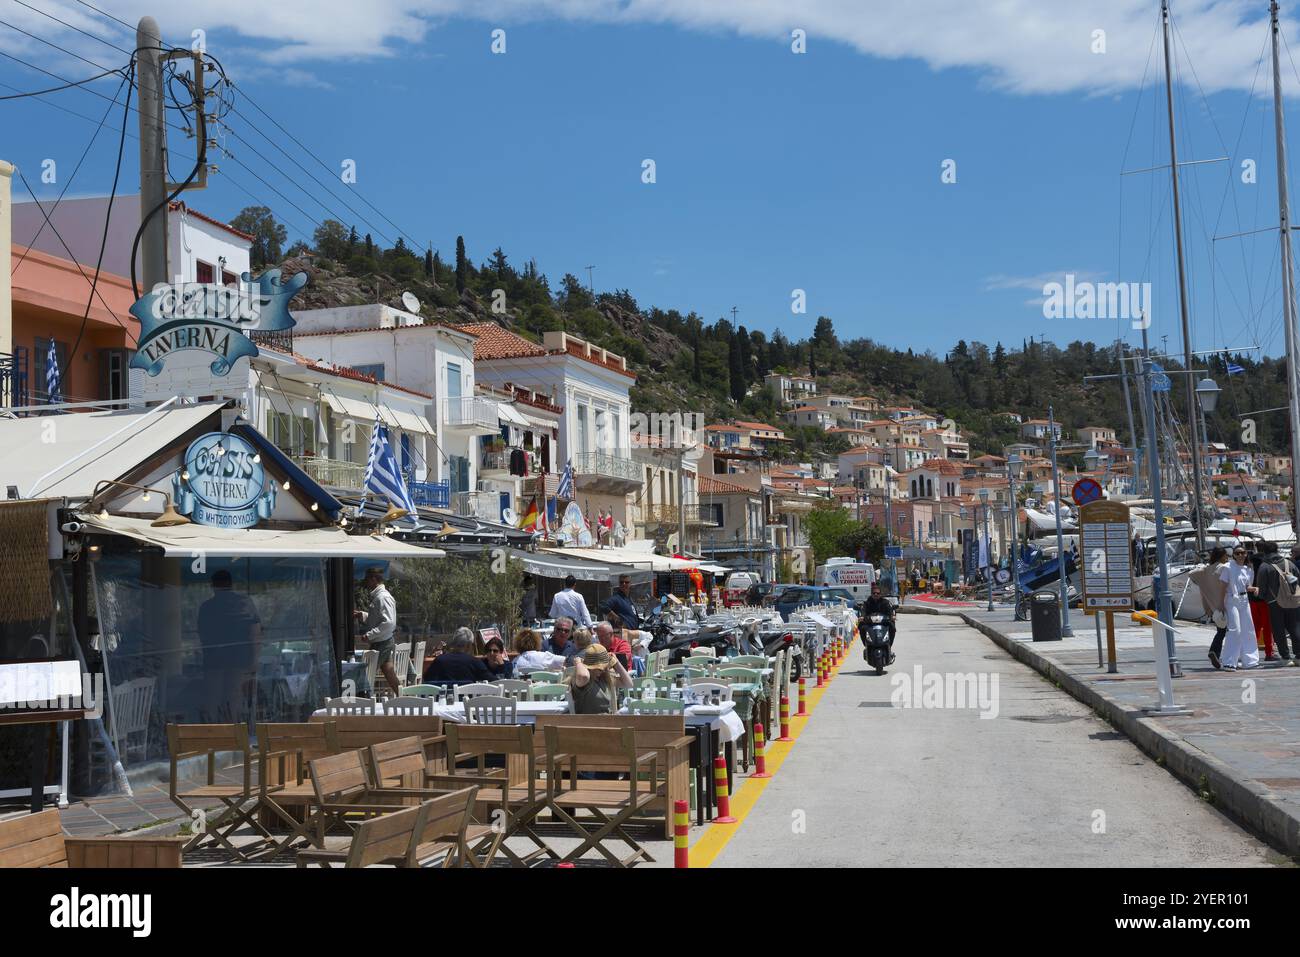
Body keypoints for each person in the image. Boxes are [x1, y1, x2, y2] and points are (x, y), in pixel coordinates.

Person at [197, 569, 261, 721]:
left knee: (213, 695)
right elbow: (255, 633)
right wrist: (254, 660)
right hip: (239, 658)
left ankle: (213, 730)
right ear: (231, 584)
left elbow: (202, 635)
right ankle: (233, 730)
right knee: (234, 695)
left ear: (212, 585)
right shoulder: (245, 603)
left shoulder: (207, 607)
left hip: (214, 658)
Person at [354, 566, 401, 696]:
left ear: (374, 579)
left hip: (382, 642)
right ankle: (405, 698)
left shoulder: (383, 598)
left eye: (368, 580)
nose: (366, 583)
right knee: (389, 672)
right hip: (383, 641)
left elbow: (389, 622)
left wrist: (369, 635)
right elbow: (379, 619)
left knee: (366, 673)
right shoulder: (379, 597)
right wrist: (362, 615)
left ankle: (364, 701)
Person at [1219, 545, 1260, 671]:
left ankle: (1250, 660)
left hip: (1244, 600)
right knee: (1235, 630)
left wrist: (1254, 588)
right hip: (1231, 599)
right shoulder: (1227, 567)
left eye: (1243, 553)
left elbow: (1247, 586)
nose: (1241, 555)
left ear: (1246, 554)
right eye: (1237, 553)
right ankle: (1229, 661)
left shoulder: (1248, 569)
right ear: (1234, 555)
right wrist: (1220, 603)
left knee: (1248, 629)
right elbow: (1222, 586)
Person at [1255, 541, 1297, 663]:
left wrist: (1263, 597)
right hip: (1293, 601)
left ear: (1264, 551)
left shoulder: (1265, 566)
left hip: (1274, 602)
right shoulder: (1289, 563)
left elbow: (1261, 587)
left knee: (1278, 630)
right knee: (1294, 628)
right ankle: (1298, 654)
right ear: (1277, 549)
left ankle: (1285, 656)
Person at [567, 643, 632, 715]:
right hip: (589, 723)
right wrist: (578, 663)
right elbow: (584, 676)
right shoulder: (583, 681)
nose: (603, 670)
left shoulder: (604, 678)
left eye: (604, 667)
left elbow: (629, 684)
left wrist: (616, 662)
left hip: (606, 721)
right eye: (599, 668)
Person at [1192, 547, 1229, 670]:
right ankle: (1228, 657)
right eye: (1226, 556)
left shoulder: (1206, 570)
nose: (1227, 558)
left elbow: (1191, 574)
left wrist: (1203, 568)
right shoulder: (1223, 568)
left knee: (1221, 631)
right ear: (1222, 556)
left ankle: (1215, 652)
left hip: (1214, 607)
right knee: (1232, 632)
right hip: (1227, 604)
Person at [424, 627, 492, 683]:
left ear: (454, 643)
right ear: (468, 645)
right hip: (469, 698)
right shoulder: (474, 662)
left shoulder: (439, 660)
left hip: (445, 698)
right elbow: (492, 680)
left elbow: (427, 679)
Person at [1247, 549, 1278, 661]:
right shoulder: (1265, 569)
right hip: (1264, 601)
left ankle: (1249, 652)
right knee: (1267, 627)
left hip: (1252, 602)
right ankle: (1269, 653)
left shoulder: (1249, 571)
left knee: (1254, 628)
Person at [861, 583, 896, 653]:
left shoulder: (885, 602)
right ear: (871, 594)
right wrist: (862, 616)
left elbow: (890, 610)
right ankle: (866, 645)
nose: (876, 594)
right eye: (874, 593)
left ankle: (889, 645)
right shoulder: (868, 602)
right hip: (870, 622)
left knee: (892, 628)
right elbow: (863, 610)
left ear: (880, 594)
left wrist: (892, 616)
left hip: (884, 622)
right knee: (862, 627)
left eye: (877, 593)